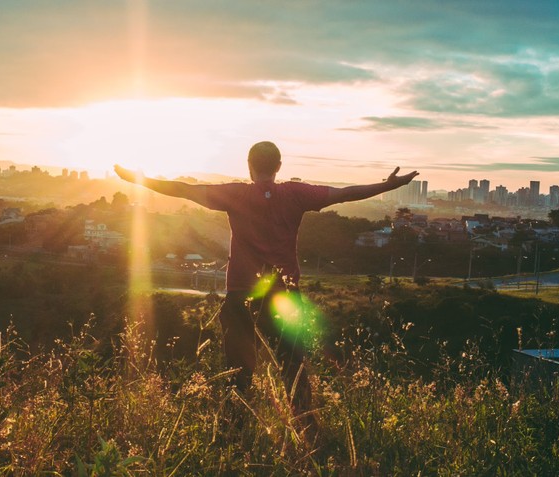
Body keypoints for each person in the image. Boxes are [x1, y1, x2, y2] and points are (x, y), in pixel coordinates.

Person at [115, 141, 417, 422]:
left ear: (249, 165)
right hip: (283, 293)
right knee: (292, 366)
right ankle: (304, 429)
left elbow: (182, 189)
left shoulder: (236, 194)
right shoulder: (296, 194)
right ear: (279, 165)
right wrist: (388, 185)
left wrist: (138, 179)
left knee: (238, 370)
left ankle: (235, 430)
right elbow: (346, 193)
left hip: (240, 295)